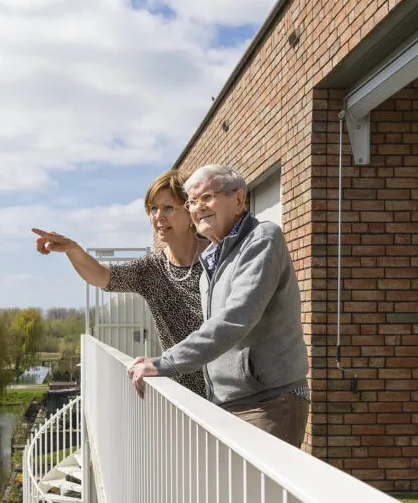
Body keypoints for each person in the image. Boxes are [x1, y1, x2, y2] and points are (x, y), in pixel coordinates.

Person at [127, 164, 309, 448]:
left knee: (258, 493)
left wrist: (166, 363)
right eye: (192, 201)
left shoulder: (262, 240)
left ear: (238, 200)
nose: (198, 208)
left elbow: (235, 319)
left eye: (207, 197)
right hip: (226, 404)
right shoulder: (213, 259)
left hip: (268, 403)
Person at [32, 169, 208, 397]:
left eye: (168, 208)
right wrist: (73, 250)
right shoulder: (151, 269)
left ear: (189, 210)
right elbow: (101, 276)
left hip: (232, 393)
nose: (158, 217)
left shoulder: (217, 258)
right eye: (152, 209)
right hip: (186, 398)